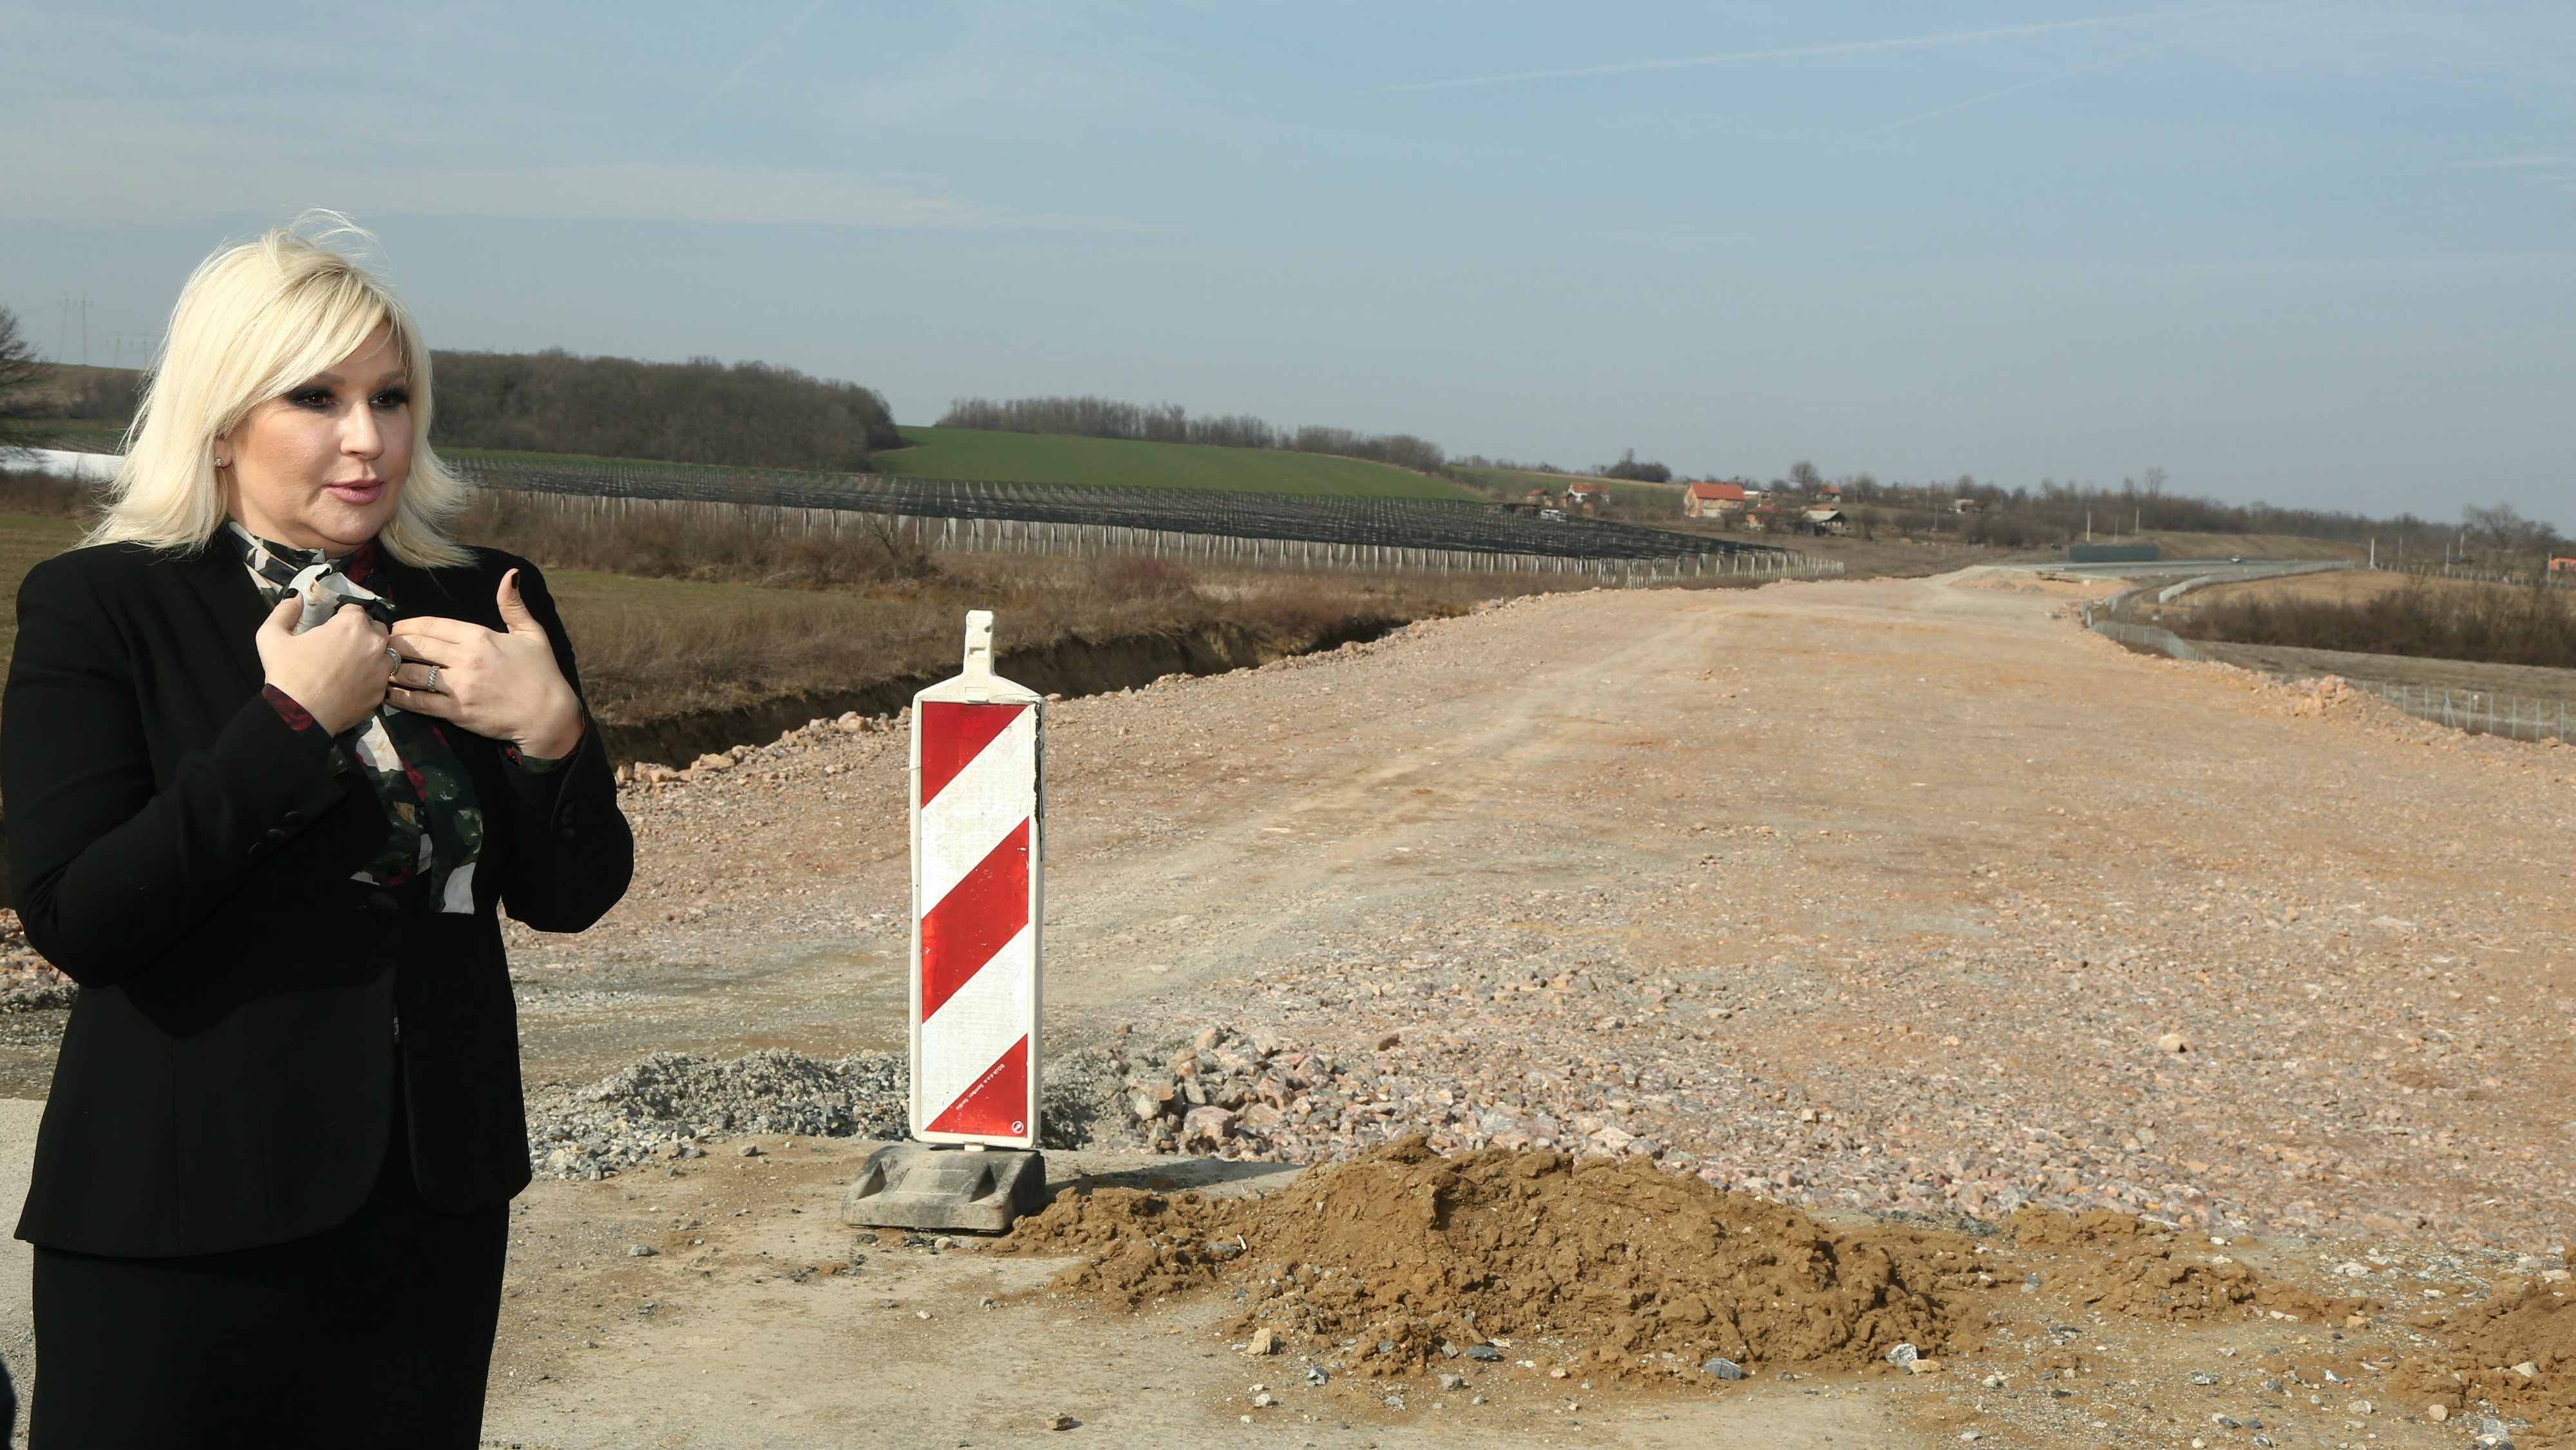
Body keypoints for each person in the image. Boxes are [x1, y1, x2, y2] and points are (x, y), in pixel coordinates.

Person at [1, 220, 632, 1447]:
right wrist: (291, 724)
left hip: (428, 1206)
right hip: (182, 1220)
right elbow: (82, 918)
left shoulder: (480, 596)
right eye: (318, 396)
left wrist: (552, 735)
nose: (370, 438)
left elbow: (570, 893)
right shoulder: (104, 605)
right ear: (224, 416)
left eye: (392, 397)